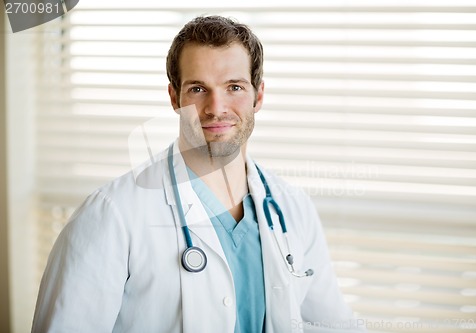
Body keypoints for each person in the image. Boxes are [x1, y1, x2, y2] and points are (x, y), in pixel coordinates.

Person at [32, 15, 364, 333]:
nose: (216, 107)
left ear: (258, 96)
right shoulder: (112, 215)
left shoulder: (292, 208)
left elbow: (329, 323)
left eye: (234, 87)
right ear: (174, 97)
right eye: (197, 89)